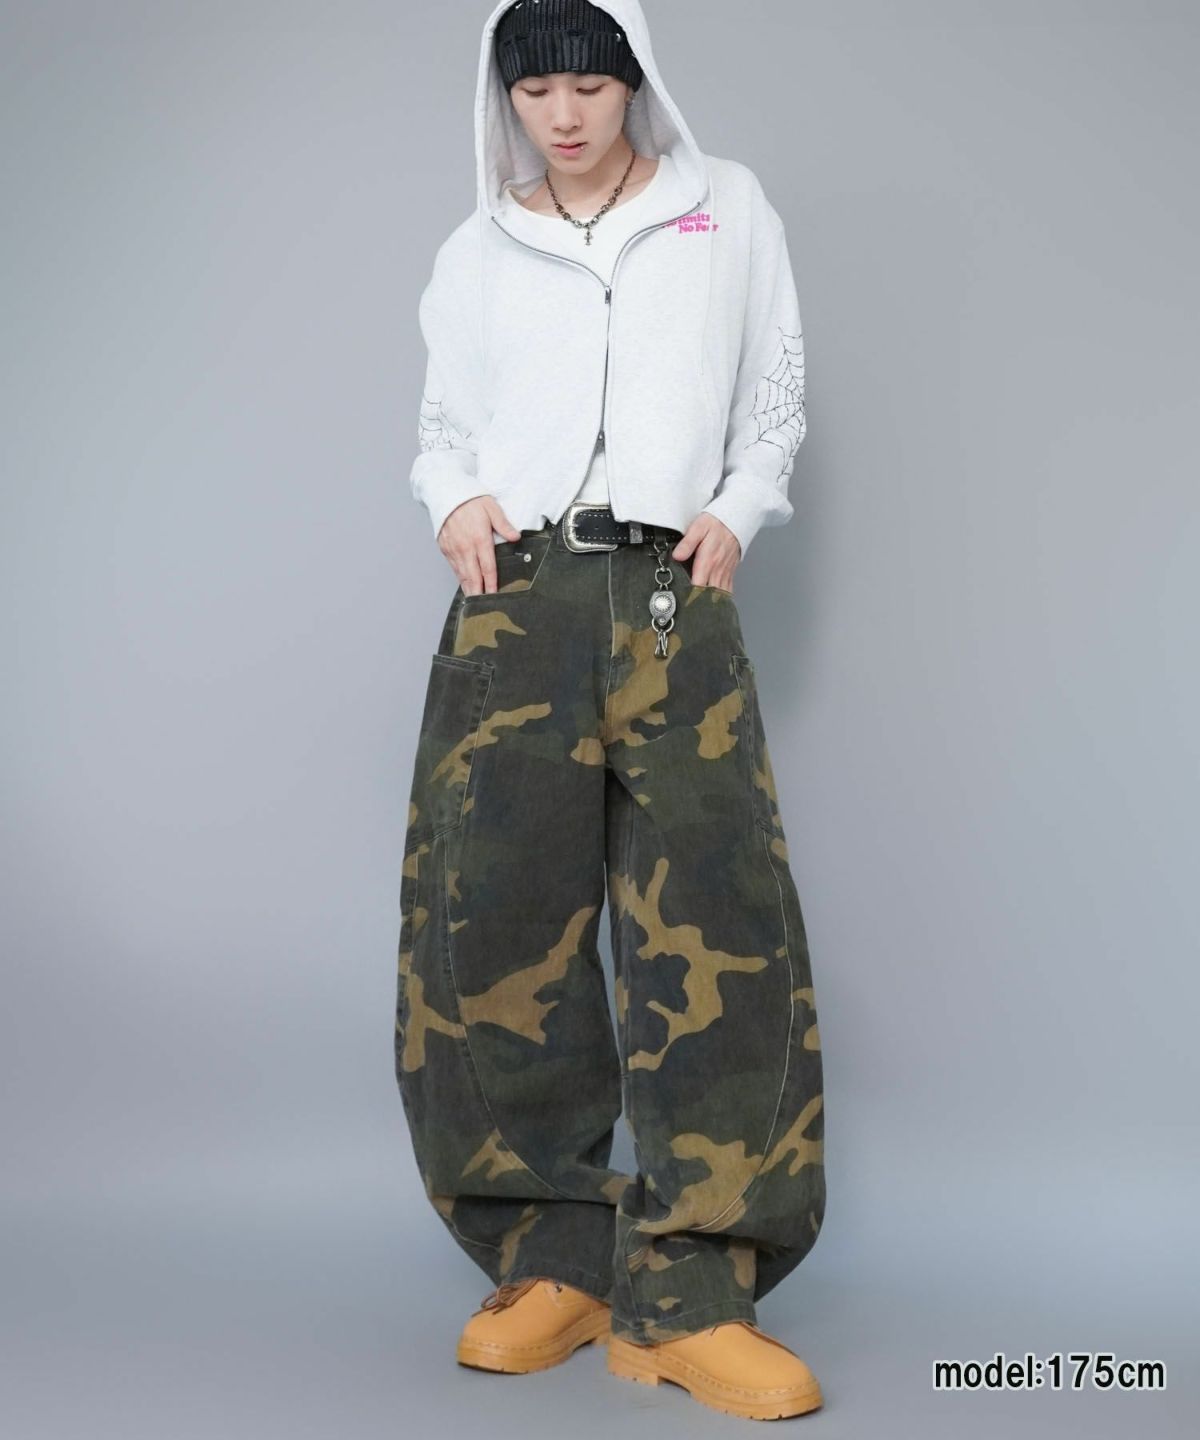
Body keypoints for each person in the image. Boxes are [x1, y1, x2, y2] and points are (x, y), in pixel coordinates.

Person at [395, 0, 826, 1420]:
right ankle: (554, 1259)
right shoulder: (475, 251)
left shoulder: (725, 209)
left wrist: (739, 508)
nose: (566, 115)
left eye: (590, 82)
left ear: (633, 80)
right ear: (506, 98)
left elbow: (774, 388)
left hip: (668, 595)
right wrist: (451, 498)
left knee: (718, 918)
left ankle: (696, 1285)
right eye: (538, 92)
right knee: (496, 919)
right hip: (515, 596)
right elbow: (445, 424)